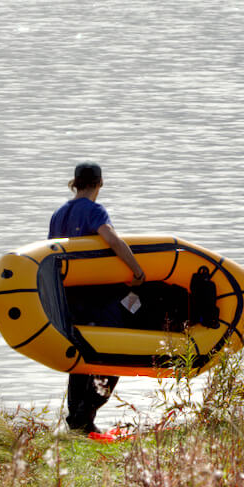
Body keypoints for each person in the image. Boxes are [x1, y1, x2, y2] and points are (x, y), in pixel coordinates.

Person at [50, 162, 145, 434]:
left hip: (69, 297)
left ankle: (77, 420)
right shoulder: (94, 210)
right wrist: (137, 270)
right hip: (96, 296)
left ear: (75, 183)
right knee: (115, 352)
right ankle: (86, 414)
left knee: (82, 356)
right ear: (99, 184)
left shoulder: (58, 214)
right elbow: (112, 240)